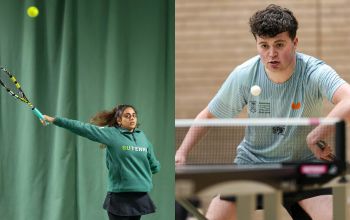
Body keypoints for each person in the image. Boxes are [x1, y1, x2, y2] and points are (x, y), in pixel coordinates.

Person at [175, 4, 350, 220]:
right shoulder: (245, 75)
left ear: (294, 42)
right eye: (264, 45)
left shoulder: (313, 72)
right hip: (253, 164)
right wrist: (182, 153)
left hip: (303, 167)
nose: (271, 54)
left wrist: (316, 135)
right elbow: (209, 116)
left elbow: (349, 100)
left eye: (279, 44)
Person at [42, 104, 161, 220]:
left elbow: (154, 164)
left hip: (139, 196)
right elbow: (82, 128)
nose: (132, 118)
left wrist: (154, 167)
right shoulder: (111, 134)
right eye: (127, 116)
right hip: (119, 198)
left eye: (134, 115)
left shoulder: (142, 137)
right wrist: (54, 120)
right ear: (119, 120)